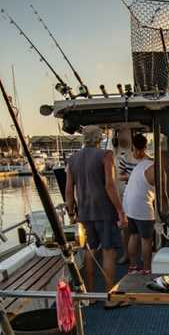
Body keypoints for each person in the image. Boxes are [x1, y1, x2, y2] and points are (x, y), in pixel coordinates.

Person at [65, 125, 128, 307]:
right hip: (105, 212)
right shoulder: (106, 156)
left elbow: (69, 190)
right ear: (99, 138)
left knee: (89, 252)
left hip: (84, 213)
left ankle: (90, 296)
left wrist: (71, 213)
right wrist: (120, 211)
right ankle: (110, 298)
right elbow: (110, 186)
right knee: (109, 252)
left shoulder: (73, 159)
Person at [122, 133, 155, 273]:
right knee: (146, 239)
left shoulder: (141, 165)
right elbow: (161, 191)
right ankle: (147, 269)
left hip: (128, 205)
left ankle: (133, 266)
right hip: (141, 206)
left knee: (134, 235)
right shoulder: (152, 166)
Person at [111, 129, 136, 265]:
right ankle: (128, 256)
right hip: (125, 196)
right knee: (127, 229)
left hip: (132, 196)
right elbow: (117, 178)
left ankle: (130, 257)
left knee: (130, 230)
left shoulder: (145, 160)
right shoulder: (119, 159)